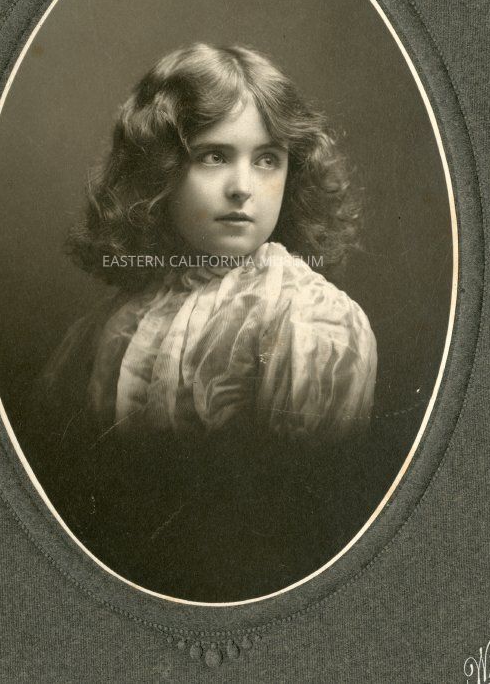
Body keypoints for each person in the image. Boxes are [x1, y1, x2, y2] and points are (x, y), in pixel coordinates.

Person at [34, 43, 378, 600]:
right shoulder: (109, 325)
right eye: (214, 156)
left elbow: (304, 530)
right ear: (160, 172)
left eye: (267, 159)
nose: (243, 186)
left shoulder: (310, 321)